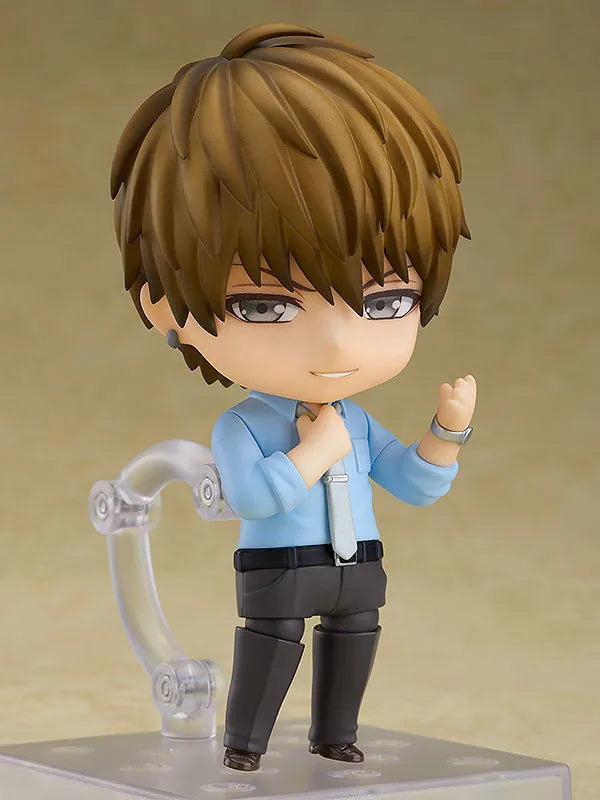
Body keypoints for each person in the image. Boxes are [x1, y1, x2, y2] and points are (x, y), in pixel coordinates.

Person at [110, 22, 476, 772]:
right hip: (279, 563)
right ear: (164, 305)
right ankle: (244, 746)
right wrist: (313, 454)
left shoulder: (357, 420)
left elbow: (412, 483)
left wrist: (446, 432)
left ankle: (335, 735)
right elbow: (253, 497)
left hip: (357, 561)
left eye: (384, 301)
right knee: (272, 644)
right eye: (267, 306)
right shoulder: (244, 425)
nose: (337, 346)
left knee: (355, 639)